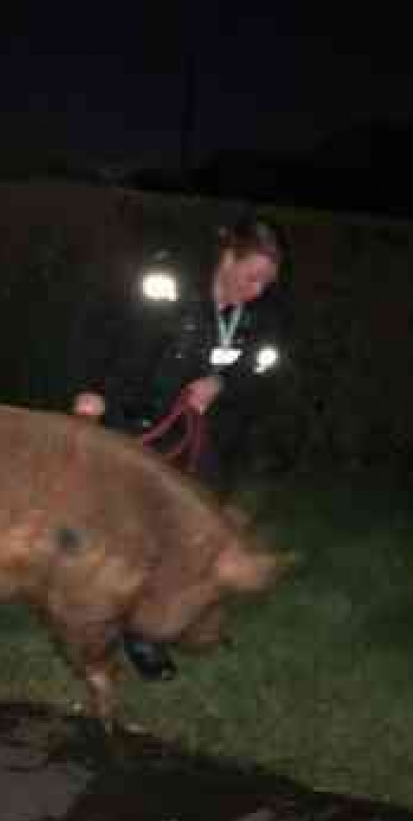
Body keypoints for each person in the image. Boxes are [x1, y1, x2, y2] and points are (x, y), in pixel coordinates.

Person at [69, 209, 287, 680]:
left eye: (266, 283)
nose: (258, 291)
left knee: (189, 535)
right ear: (228, 258)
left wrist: (221, 385)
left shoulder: (258, 317)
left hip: (197, 439)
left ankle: (151, 630)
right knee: (124, 534)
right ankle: (104, 624)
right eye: (252, 277)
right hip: (130, 422)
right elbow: (107, 331)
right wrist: (91, 388)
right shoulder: (166, 283)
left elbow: (264, 375)